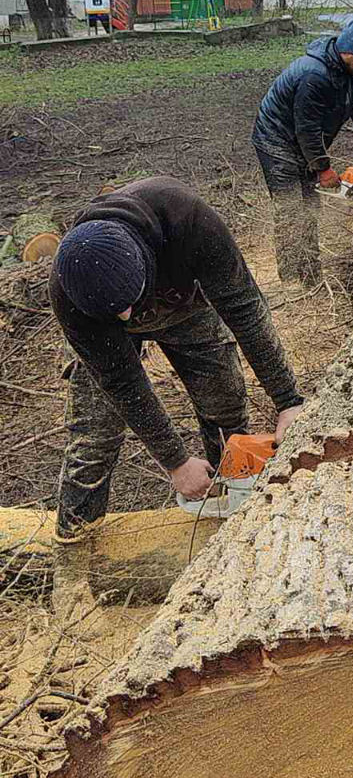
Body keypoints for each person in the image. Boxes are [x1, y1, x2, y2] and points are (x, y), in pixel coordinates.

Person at [49, 175, 304, 622]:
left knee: (226, 408)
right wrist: (174, 461)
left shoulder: (190, 222)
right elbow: (125, 383)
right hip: (106, 341)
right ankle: (70, 565)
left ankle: (227, 519)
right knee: (94, 437)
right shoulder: (71, 292)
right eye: (116, 313)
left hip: (189, 311)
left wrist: (288, 399)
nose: (128, 318)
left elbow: (244, 309)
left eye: (129, 304)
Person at [252, 17, 353, 284]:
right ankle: (292, 280)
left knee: (310, 206)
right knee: (291, 209)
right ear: (347, 52)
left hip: (303, 142)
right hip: (276, 141)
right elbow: (307, 128)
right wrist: (323, 168)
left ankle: (310, 274)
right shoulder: (315, 75)